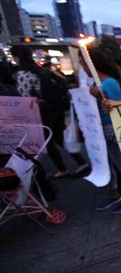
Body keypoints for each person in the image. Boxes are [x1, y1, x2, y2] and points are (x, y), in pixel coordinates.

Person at [10, 45, 90, 179]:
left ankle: (62, 169)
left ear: (17, 57)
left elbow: (25, 97)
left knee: (48, 141)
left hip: (42, 112)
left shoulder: (22, 74)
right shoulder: (42, 71)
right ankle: (81, 162)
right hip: (56, 108)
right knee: (59, 137)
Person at [81, 48, 121, 214]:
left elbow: (116, 106)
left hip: (110, 128)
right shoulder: (96, 84)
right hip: (99, 129)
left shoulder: (109, 83)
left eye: (83, 64)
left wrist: (99, 97)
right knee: (108, 163)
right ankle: (115, 192)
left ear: (91, 65)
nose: (83, 69)